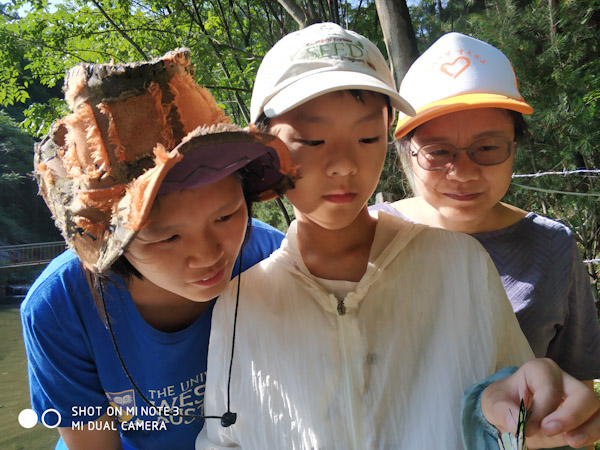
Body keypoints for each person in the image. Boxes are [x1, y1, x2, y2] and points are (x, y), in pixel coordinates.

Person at [196, 23, 600, 449]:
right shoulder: (242, 301)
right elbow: (223, 438)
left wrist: (530, 418)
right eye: (313, 140)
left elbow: (505, 416)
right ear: (262, 144)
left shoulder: (461, 264)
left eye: (368, 137)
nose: (344, 164)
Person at [21, 48, 295, 450]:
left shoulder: (271, 260)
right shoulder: (59, 307)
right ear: (111, 240)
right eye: (167, 236)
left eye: (226, 216)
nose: (207, 255)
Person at [372, 32, 600, 386]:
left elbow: (576, 384)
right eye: (437, 151)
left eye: (488, 147)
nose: (462, 173)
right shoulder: (369, 236)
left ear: (515, 144)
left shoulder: (553, 247)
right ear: (407, 154)